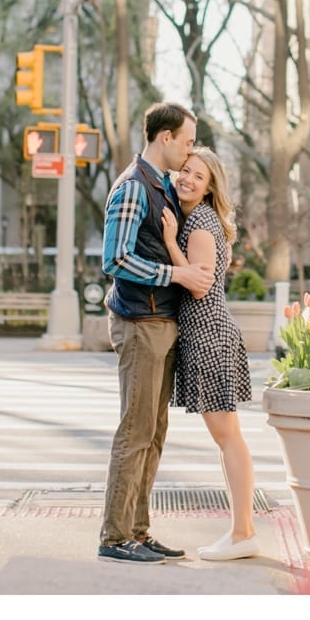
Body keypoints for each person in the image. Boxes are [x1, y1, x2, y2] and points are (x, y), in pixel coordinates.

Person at [97, 103, 214, 566]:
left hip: (160, 322)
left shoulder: (160, 186)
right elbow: (116, 260)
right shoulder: (132, 188)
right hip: (140, 322)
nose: (189, 152)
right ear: (164, 137)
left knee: (155, 432)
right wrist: (176, 275)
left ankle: (139, 530)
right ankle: (115, 534)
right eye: (186, 141)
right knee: (136, 429)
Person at [159, 145, 258, 562]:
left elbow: (198, 284)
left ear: (210, 186)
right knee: (227, 438)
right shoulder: (201, 217)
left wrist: (168, 239)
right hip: (209, 332)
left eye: (198, 176)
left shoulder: (198, 223)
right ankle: (241, 531)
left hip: (209, 334)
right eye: (185, 170)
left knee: (229, 437)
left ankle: (243, 534)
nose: (188, 179)